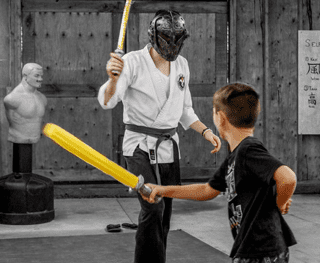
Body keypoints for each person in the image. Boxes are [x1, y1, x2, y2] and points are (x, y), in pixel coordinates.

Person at [97, 10, 221, 263]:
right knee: (152, 206)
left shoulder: (182, 64)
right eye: (167, 36)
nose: (172, 43)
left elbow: (185, 110)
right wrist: (112, 79)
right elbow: (108, 102)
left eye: (177, 38)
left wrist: (206, 131)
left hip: (168, 147)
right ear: (154, 35)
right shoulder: (131, 61)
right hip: (139, 146)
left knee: (165, 211)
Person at [141, 83, 297, 263]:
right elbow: (207, 190)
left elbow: (287, 178)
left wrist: (280, 202)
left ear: (220, 118)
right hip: (253, 248)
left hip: (261, 250)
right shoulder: (235, 157)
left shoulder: (248, 149)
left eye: (213, 113)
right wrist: (162, 190)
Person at [3, 63, 47, 144]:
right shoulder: (13, 98)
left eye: (41, 76)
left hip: (35, 138)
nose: (40, 79)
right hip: (18, 138)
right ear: (25, 76)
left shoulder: (42, 98)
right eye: (36, 76)